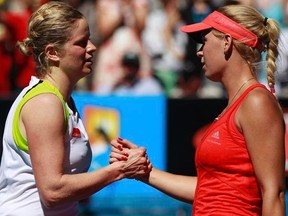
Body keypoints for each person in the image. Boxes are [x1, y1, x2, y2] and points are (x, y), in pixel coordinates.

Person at [110, 4, 286, 215]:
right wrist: (145, 172)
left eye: (204, 41)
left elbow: (274, 193)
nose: (199, 51)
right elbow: (210, 189)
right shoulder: (237, 105)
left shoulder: (256, 102)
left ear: (227, 42)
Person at [0, 2, 151, 215]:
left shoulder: (62, 101)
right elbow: (53, 192)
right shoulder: (45, 103)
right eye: (81, 42)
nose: (92, 47)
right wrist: (121, 170)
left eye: (89, 38)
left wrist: (119, 164)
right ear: (52, 53)